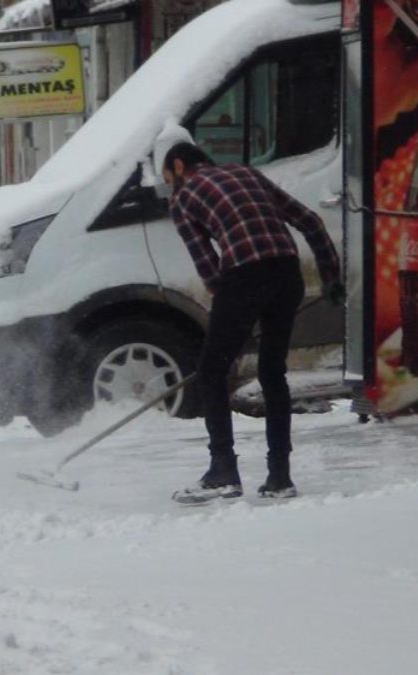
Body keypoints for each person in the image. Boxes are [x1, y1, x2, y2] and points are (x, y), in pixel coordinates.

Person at [156, 126, 344, 502]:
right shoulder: (246, 173)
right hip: (287, 274)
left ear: (179, 165)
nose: (169, 187)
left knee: (211, 370)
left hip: (244, 276)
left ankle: (223, 471)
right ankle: (280, 477)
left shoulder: (184, 197)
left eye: (168, 179)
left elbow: (208, 268)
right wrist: (330, 278)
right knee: (272, 372)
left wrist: (231, 311)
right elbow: (311, 222)